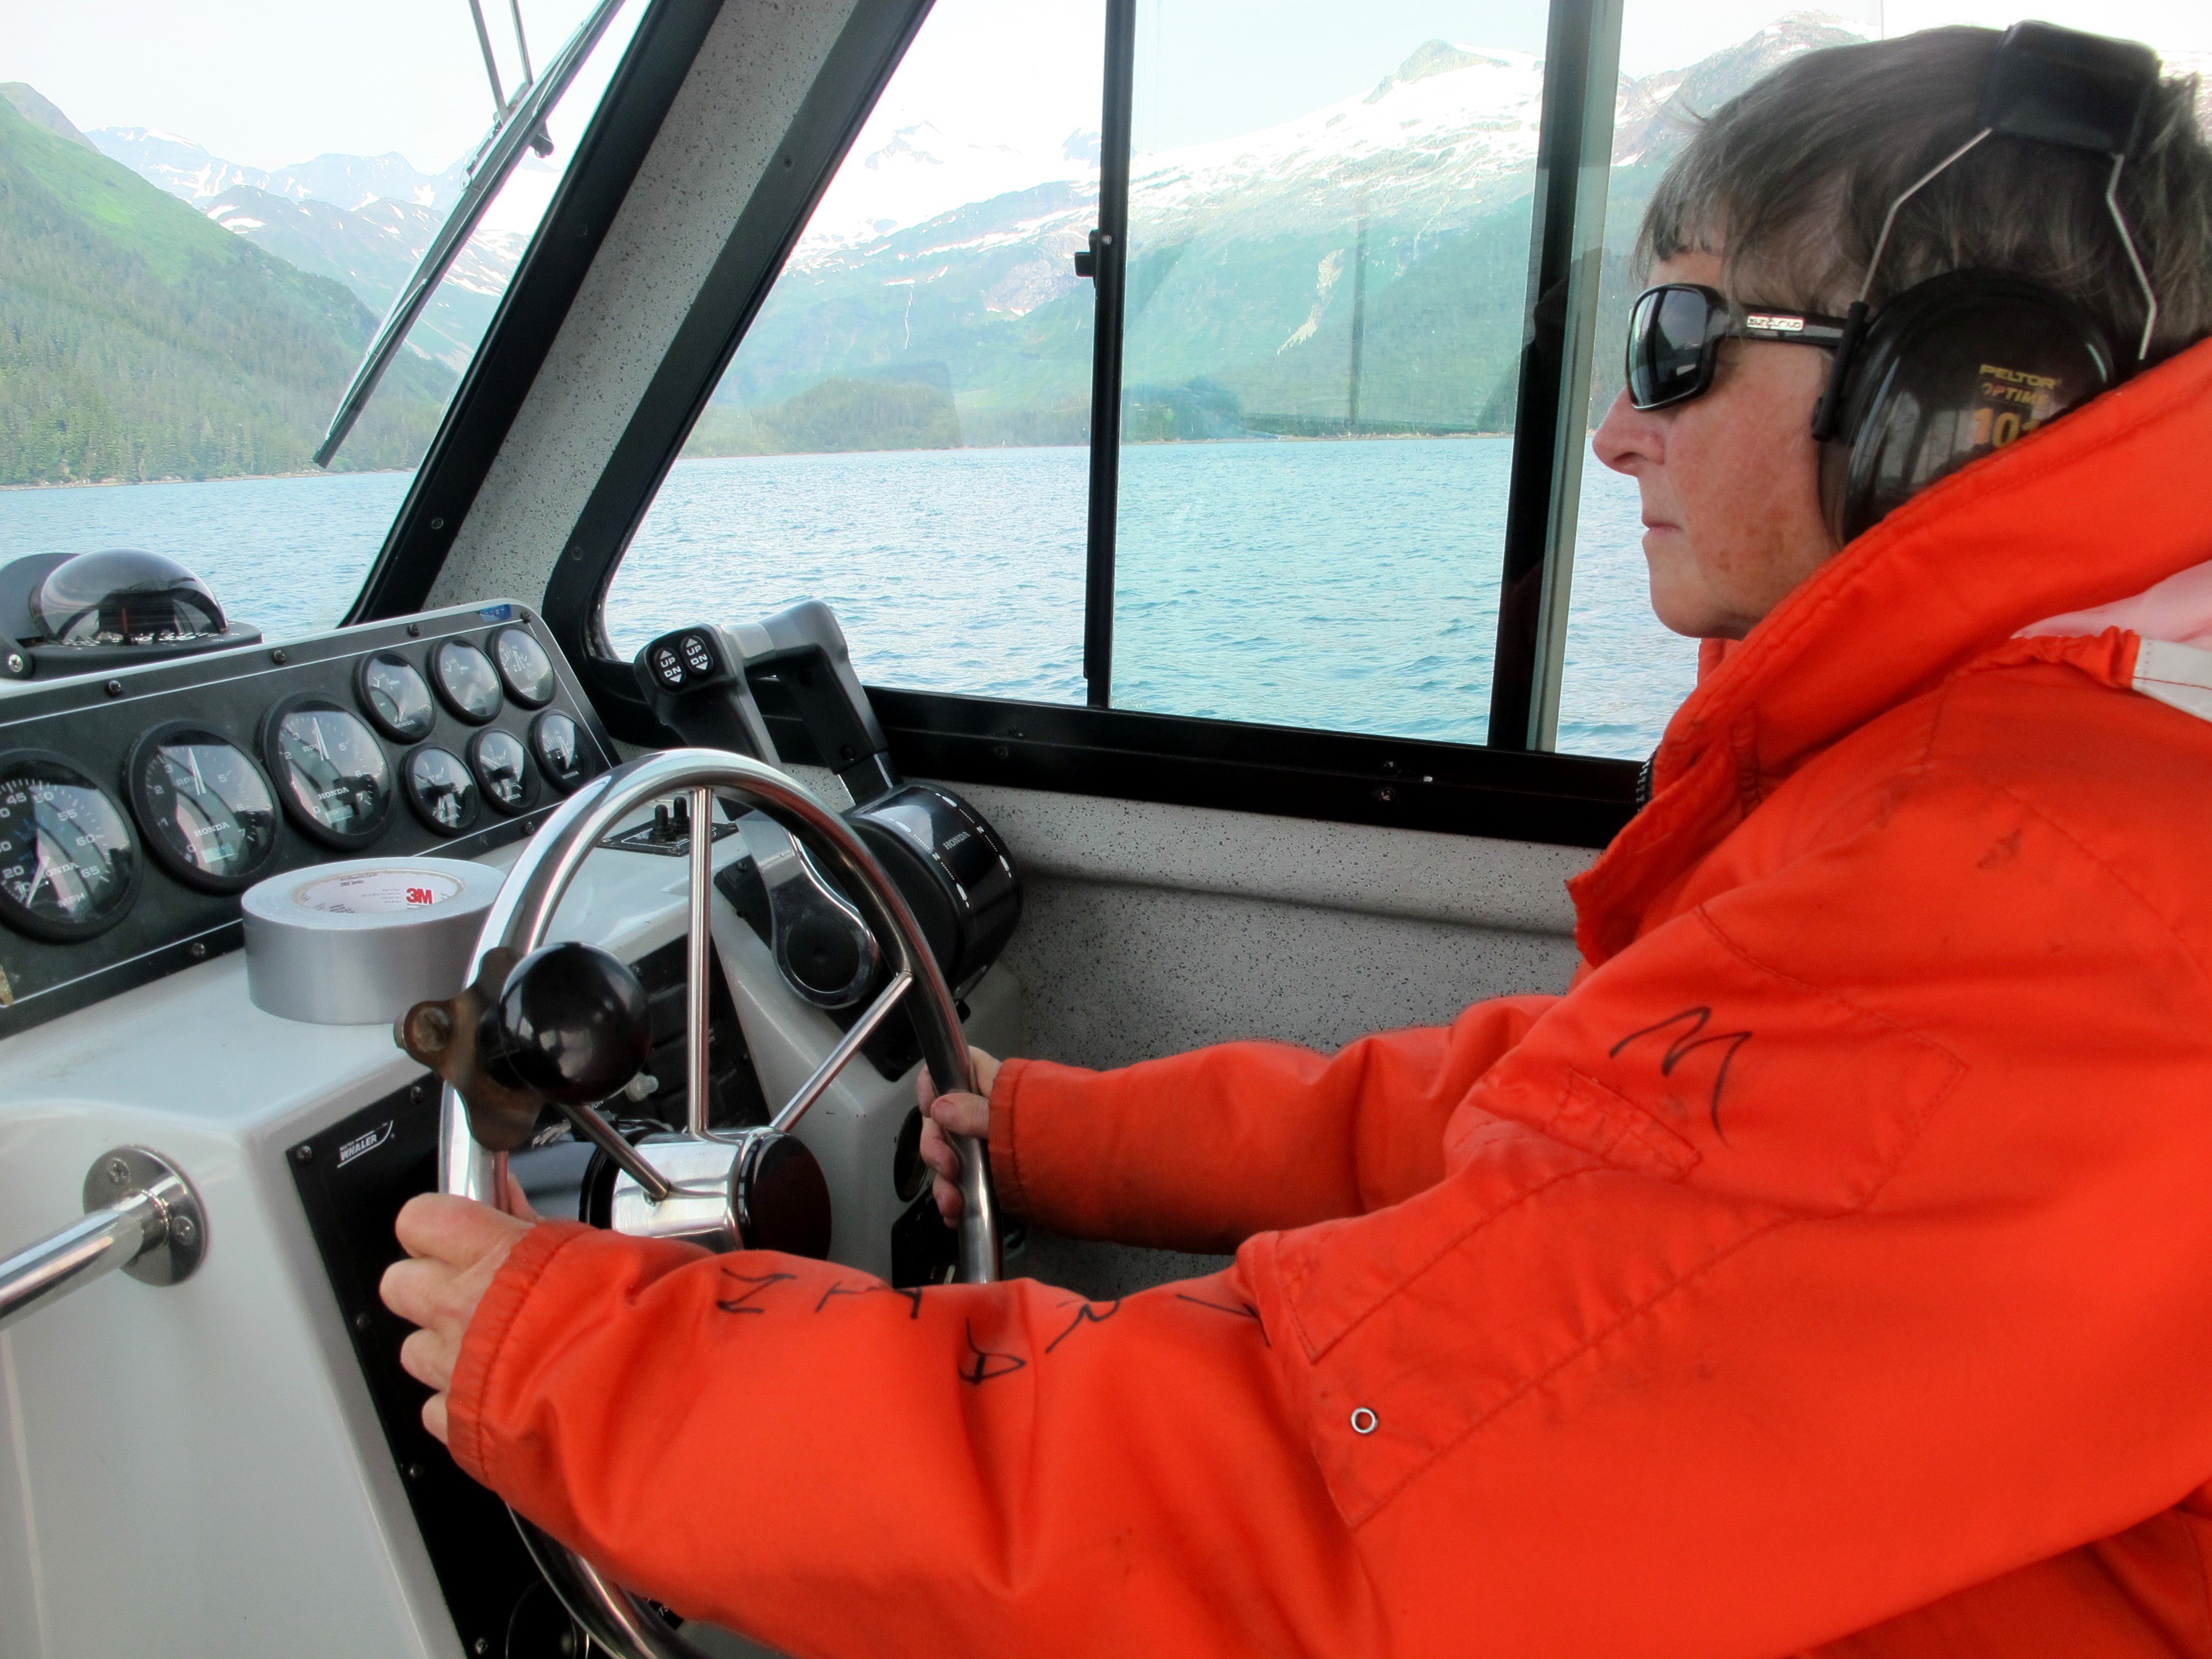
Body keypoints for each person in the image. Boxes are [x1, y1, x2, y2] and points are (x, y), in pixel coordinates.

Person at [383, 25, 2212, 1658]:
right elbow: (1560, 1113)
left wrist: (598, 1368)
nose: (1612, 433)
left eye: (1678, 342)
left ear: (1955, 397)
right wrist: (1050, 1134)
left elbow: (1318, 1511)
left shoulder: (2039, 915)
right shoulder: (2027, 797)